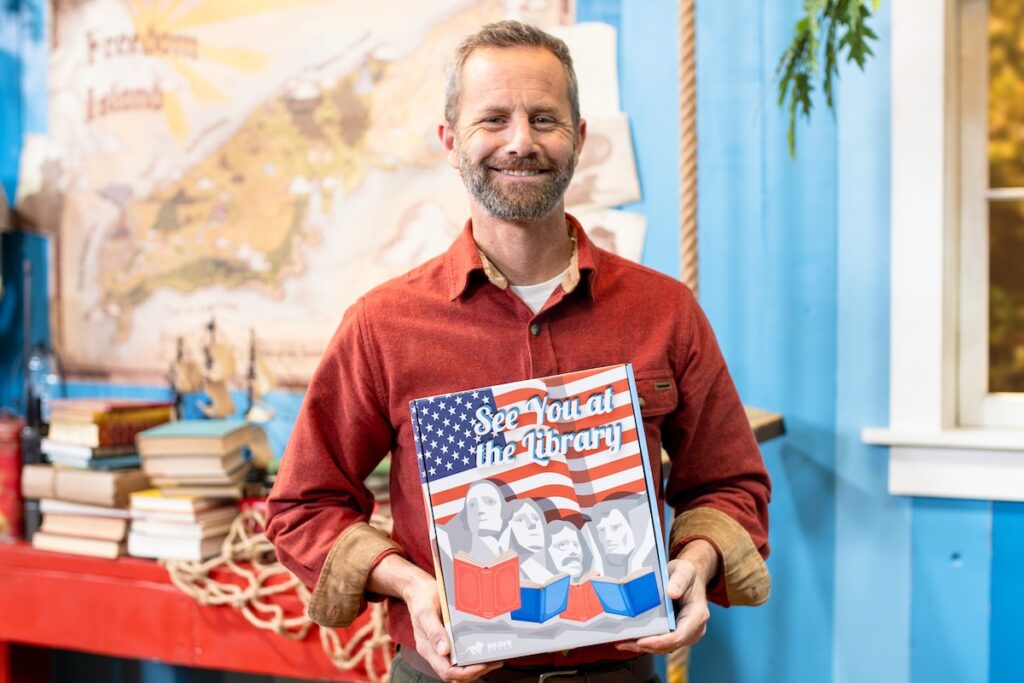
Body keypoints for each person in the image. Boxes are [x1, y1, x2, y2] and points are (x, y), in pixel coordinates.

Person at [267, 19, 771, 683]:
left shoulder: (665, 313)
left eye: (544, 118)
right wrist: (412, 585)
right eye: (493, 119)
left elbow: (731, 483)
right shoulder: (382, 326)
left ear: (580, 140)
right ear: (450, 142)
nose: (520, 141)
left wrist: (698, 560)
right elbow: (303, 504)